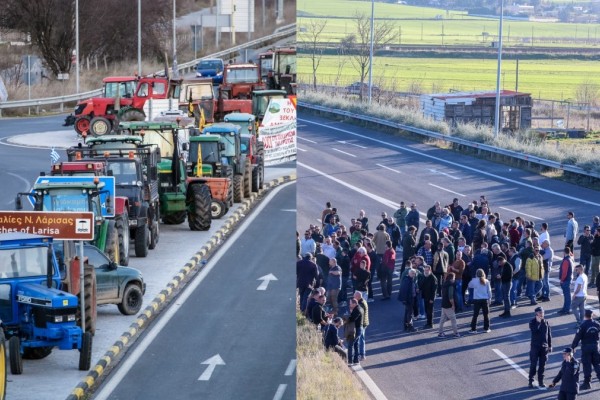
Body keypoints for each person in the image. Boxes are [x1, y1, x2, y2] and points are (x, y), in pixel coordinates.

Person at [571, 309, 600, 390]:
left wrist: (573, 347)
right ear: (592, 315)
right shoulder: (597, 324)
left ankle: (587, 383)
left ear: (585, 315)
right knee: (597, 364)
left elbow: (577, 337)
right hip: (595, 347)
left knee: (587, 365)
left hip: (586, 347)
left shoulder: (583, 325)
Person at [529, 306, 552, 389]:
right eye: (540, 313)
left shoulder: (546, 322)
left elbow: (549, 334)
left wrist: (550, 345)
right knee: (533, 364)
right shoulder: (532, 322)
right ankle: (531, 380)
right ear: (536, 314)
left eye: (543, 312)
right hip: (535, 347)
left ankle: (541, 381)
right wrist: (538, 324)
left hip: (544, 347)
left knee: (542, 365)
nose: (542, 314)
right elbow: (534, 332)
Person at [468, 269, 492, 333]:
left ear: (476, 274)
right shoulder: (487, 281)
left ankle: (473, 329)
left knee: (475, 315)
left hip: (477, 300)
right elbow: (489, 291)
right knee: (486, 315)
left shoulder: (474, 281)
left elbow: (469, 285)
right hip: (485, 300)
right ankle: (486, 328)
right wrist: (490, 298)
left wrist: (474, 279)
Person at [438, 272, 460, 338]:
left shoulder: (444, 284)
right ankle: (456, 333)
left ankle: (440, 333)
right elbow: (451, 297)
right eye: (454, 278)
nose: (454, 279)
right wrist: (453, 305)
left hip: (444, 304)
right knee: (453, 320)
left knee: (442, 320)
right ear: (452, 278)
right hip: (449, 305)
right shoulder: (451, 285)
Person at [346, 298, 363, 366]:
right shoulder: (359, 308)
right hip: (359, 328)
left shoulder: (357, 310)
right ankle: (356, 360)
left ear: (354, 303)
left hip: (356, 329)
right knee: (356, 345)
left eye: (350, 304)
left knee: (350, 345)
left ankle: (350, 361)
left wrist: (347, 319)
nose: (349, 305)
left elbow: (352, 319)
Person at [558, 247, 575, 315]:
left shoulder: (565, 260)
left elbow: (564, 272)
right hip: (569, 279)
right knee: (567, 295)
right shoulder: (570, 259)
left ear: (564, 252)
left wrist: (562, 280)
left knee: (567, 296)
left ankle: (566, 309)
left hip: (565, 280)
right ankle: (565, 308)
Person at [354, 291, 369, 362]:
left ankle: (362, 354)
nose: (354, 298)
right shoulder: (364, 301)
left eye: (354, 296)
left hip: (362, 323)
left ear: (357, 297)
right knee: (361, 338)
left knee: (360, 339)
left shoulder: (361, 304)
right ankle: (361, 354)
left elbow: (359, 314)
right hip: (365, 322)